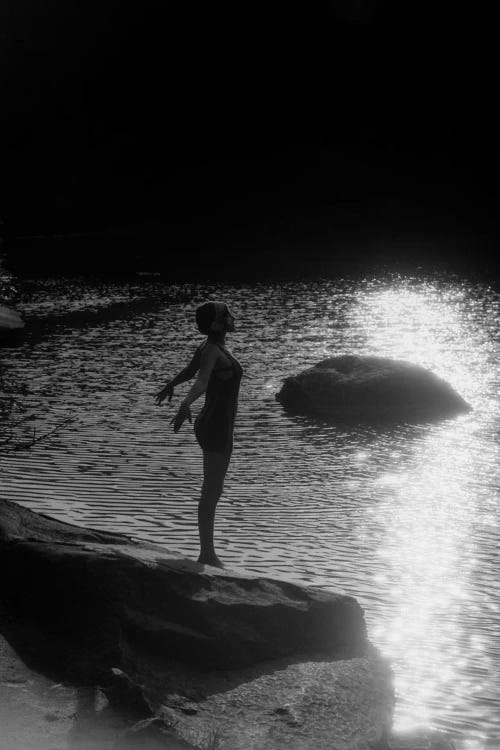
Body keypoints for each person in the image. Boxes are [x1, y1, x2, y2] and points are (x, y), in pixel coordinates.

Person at [155, 301, 242, 568]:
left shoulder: (208, 347)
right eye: (225, 315)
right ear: (217, 324)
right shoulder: (213, 351)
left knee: (212, 489)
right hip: (216, 425)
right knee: (212, 490)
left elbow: (192, 370)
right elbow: (202, 380)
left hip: (214, 424)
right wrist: (185, 403)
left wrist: (171, 383)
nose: (231, 318)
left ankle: (208, 552)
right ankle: (207, 554)